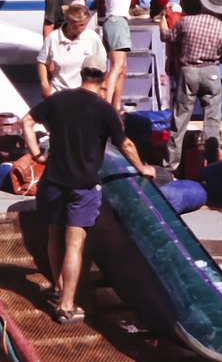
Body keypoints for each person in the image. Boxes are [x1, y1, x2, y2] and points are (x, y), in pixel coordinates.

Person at [21, 54, 156, 324]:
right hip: (82, 185)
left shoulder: (58, 100)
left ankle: (57, 289)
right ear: (104, 77)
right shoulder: (104, 109)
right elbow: (125, 145)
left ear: (81, 74)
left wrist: (36, 154)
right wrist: (143, 168)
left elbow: (26, 121)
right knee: (74, 245)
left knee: (54, 235)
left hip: (54, 180)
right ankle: (67, 306)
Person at [159, 0, 222, 173]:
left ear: (203, 3)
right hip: (211, 72)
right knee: (212, 122)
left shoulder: (187, 22)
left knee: (180, 120)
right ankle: (213, 167)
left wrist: (162, 18)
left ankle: (170, 167)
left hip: (188, 71)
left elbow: (166, 36)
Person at [100, 0, 144, 113]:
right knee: (118, 66)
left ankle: (116, 104)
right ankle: (107, 100)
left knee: (122, 67)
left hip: (109, 22)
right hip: (119, 22)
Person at [36, 2, 106, 98]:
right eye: (80, 25)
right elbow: (42, 62)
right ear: (69, 22)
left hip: (84, 93)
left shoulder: (92, 37)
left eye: (85, 25)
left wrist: (101, 87)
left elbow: (102, 64)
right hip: (59, 92)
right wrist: (45, 84)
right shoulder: (53, 38)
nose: (83, 29)